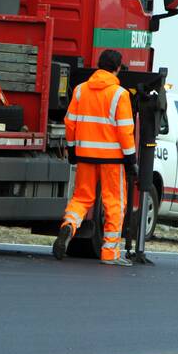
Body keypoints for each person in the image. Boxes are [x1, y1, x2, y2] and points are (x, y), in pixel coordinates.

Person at [53, 50, 137, 266]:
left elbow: (70, 122)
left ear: (98, 66)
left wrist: (72, 150)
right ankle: (110, 253)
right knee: (114, 203)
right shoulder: (120, 94)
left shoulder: (80, 91)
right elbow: (125, 130)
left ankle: (68, 226)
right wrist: (131, 159)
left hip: (85, 156)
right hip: (113, 160)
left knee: (81, 198)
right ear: (118, 68)